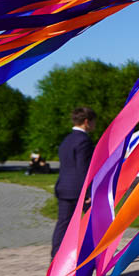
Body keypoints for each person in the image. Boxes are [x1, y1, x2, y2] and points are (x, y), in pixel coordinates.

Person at [52, 106, 95, 256]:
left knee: (63, 224)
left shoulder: (66, 140)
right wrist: (89, 191)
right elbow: (83, 168)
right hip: (78, 190)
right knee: (94, 223)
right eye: (94, 122)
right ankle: (95, 256)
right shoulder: (84, 141)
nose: (95, 125)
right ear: (86, 122)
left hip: (63, 187)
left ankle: (55, 258)